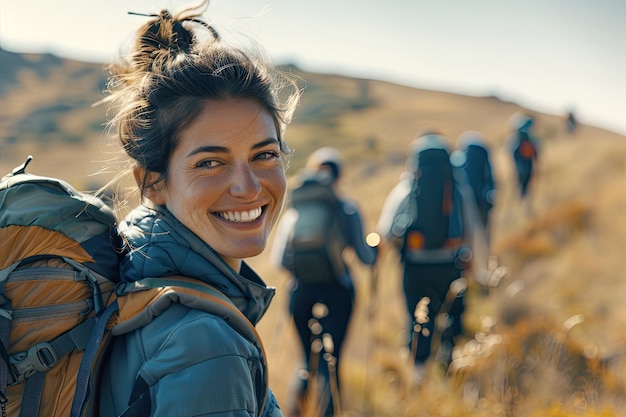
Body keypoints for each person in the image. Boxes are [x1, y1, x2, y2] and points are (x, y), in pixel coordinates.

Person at [97, 2, 300, 416]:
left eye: (264, 155)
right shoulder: (206, 345)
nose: (248, 188)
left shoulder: (133, 281)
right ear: (151, 182)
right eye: (210, 163)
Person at [271, 147, 377, 417]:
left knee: (307, 361)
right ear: (339, 176)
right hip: (338, 291)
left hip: (301, 293)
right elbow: (365, 258)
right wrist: (376, 250)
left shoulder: (296, 209)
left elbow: (281, 260)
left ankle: (295, 412)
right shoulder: (346, 208)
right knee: (332, 361)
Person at [376, 131, 470, 384]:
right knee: (449, 316)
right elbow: (472, 227)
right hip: (450, 264)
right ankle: (449, 366)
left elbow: (386, 230)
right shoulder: (457, 188)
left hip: (415, 266)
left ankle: (418, 374)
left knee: (417, 319)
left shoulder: (405, 189)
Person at [454, 131, 496, 247]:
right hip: (483, 199)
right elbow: (490, 176)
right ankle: (486, 254)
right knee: (484, 230)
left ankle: (471, 254)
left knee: (468, 232)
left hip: (466, 201)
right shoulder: (483, 152)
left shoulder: (461, 155)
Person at [505, 112, 540, 206]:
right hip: (528, 166)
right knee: (527, 186)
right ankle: (525, 205)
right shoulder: (530, 139)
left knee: (520, 186)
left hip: (520, 168)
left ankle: (520, 204)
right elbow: (536, 152)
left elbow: (511, 152)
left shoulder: (515, 140)